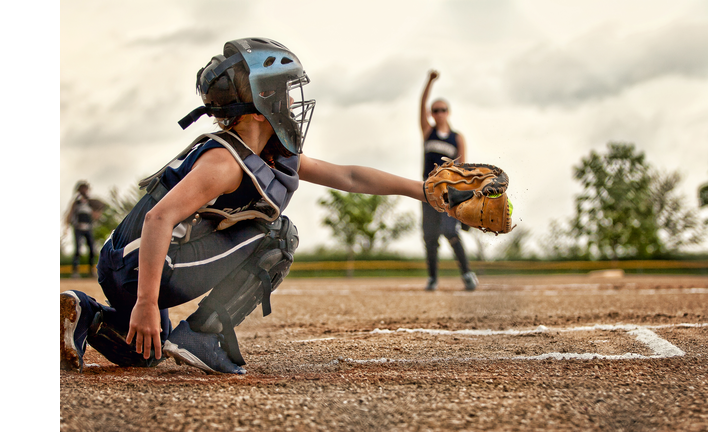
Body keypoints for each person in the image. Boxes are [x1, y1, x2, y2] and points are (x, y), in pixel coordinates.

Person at [60, 37, 426, 375]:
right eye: (286, 92)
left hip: (133, 261)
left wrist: (422, 191)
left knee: (146, 351)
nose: (295, 102)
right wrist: (145, 301)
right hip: (141, 265)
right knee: (278, 237)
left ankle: (87, 315)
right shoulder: (225, 162)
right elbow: (159, 217)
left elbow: (349, 177)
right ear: (260, 102)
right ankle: (203, 333)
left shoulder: (265, 154)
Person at [418, 70, 478, 292]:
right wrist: (429, 82)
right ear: (431, 114)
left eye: (442, 109)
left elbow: (462, 168)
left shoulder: (457, 137)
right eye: (435, 110)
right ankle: (433, 278)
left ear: (448, 112)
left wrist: (466, 197)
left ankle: (467, 274)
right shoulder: (428, 132)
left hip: (449, 191)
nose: (439, 113)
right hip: (427, 190)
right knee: (429, 236)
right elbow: (421, 104)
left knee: (450, 232)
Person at [65, 181, 99, 278]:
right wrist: (67, 225)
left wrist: (97, 213)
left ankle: (91, 271)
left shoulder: (90, 203)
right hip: (78, 228)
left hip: (88, 228)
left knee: (92, 249)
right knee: (78, 250)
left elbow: (97, 211)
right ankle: (75, 271)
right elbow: (70, 214)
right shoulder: (76, 203)